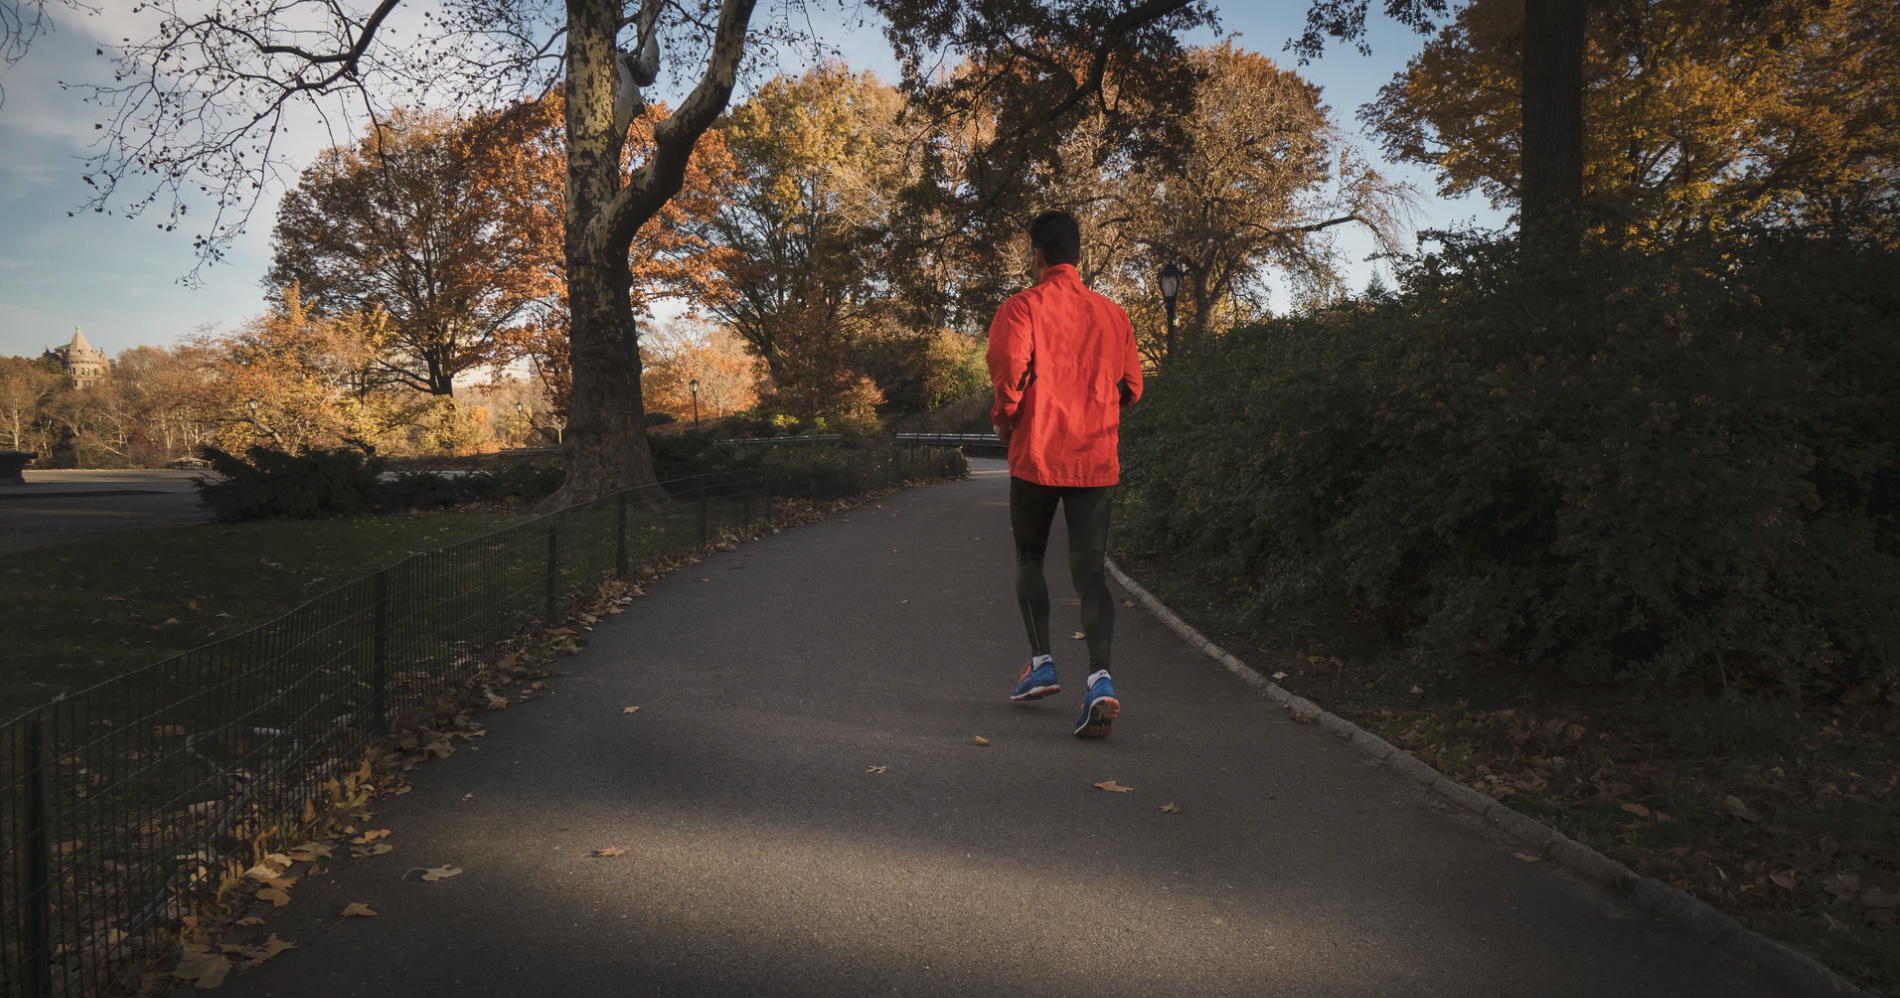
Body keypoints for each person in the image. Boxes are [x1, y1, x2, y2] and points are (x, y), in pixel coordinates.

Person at [986, 210, 1144, 737]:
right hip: (1094, 459)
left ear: (1038, 254)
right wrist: (1098, 409)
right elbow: (1132, 387)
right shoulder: (1114, 316)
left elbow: (1009, 377)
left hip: (1037, 453)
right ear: (1077, 255)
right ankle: (1100, 679)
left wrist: (1008, 424)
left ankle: (1041, 662)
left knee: (1029, 556)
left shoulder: (1021, 308)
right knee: (1090, 573)